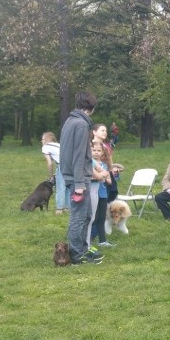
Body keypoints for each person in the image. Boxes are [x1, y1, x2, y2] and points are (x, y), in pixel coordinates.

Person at [59, 91, 104, 264]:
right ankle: (77, 255)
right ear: (91, 107)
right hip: (78, 179)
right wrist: (79, 183)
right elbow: (78, 155)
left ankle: (84, 249)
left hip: (74, 175)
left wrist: (93, 163)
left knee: (86, 216)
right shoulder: (81, 124)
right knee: (79, 218)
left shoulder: (70, 121)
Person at [90, 141, 114, 248]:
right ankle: (89, 239)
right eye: (94, 150)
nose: (96, 153)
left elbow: (109, 181)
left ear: (102, 152)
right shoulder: (89, 164)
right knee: (93, 218)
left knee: (101, 217)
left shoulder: (104, 165)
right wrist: (100, 176)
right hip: (92, 194)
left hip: (103, 194)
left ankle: (102, 241)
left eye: (99, 150)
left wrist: (106, 178)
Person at [41, 132, 68, 214]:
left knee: (60, 187)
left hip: (62, 166)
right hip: (71, 165)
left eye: (42, 139)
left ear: (46, 139)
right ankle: (68, 208)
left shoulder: (45, 147)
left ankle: (59, 209)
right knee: (68, 187)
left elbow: (50, 163)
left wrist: (51, 175)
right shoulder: (59, 145)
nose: (41, 141)